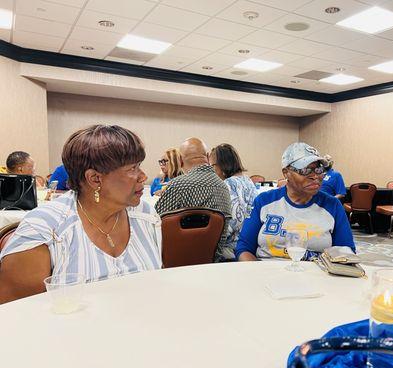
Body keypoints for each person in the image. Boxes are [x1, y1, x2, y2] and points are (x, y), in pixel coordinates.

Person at [0, 125, 162, 303]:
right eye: (133, 169)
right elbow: (16, 313)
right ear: (95, 178)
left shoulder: (145, 215)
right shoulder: (45, 229)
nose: (143, 176)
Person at [236, 142, 355, 261]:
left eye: (319, 169)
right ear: (286, 173)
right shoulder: (264, 201)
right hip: (268, 272)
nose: (315, 176)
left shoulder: (332, 205)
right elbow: (244, 248)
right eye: (305, 170)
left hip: (315, 275)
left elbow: (346, 253)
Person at [155, 138, 232, 261]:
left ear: (180, 160)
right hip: (212, 261)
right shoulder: (224, 187)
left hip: (175, 262)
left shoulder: (178, 185)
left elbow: (156, 221)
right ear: (207, 157)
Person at [209, 143, 257, 260]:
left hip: (233, 249)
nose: (212, 170)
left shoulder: (228, 184)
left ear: (222, 165)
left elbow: (231, 224)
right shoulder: (248, 181)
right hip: (250, 244)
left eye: (212, 166)